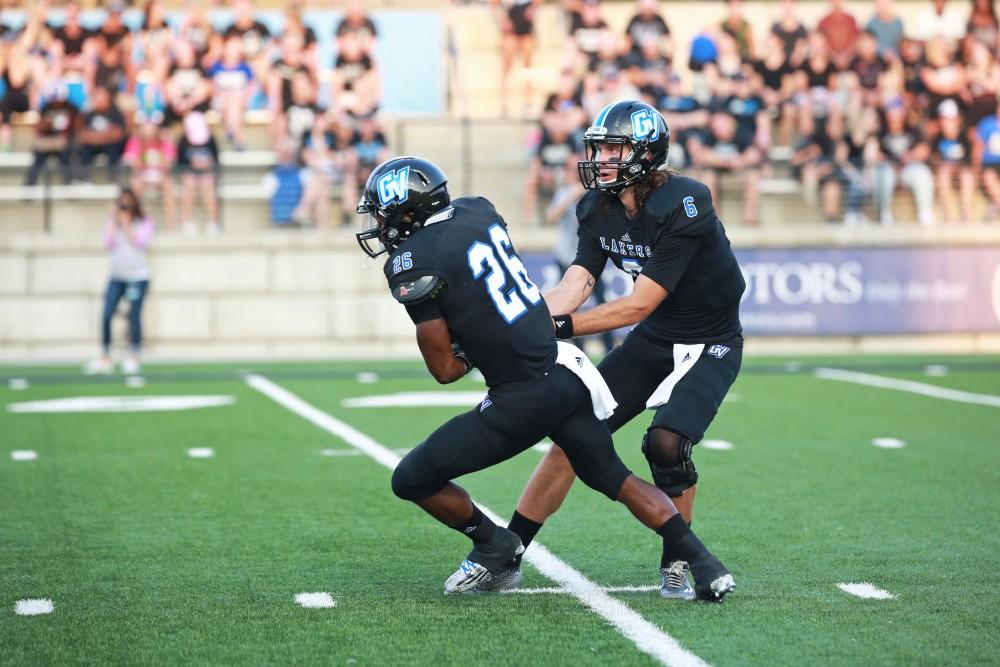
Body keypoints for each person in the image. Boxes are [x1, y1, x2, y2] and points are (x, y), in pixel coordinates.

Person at [356, 155, 735, 601]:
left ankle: (498, 548)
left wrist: (478, 345)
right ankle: (708, 566)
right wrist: (518, 325)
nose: (377, 225)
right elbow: (557, 289)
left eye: (382, 213)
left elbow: (445, 371)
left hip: (679, 346)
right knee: (611, 475)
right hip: (569, 373)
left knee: (411, 478)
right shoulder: (479, 210)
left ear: (407, 211)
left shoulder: (410, 261)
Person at [496, 100, 745, 599]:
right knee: (574, 432)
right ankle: (505, 553)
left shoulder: (686, 201)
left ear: (646, 154)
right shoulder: (596, 207)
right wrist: (521, 318)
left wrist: (560, 328)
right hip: (656, 339)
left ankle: (676, 559)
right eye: (600, 146)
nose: (602, 156)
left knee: (665, 445)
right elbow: (577, 282)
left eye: (615, 147)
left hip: (711, 340)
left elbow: (637, 304)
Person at [84, 188, 154, 376]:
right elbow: (108, 242)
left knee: (134, 315)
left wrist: (127, 224)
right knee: (107, 313)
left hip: (137, 276)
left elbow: (140, 242)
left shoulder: (143, 221)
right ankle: (105, 355)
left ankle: (134, 354)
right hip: (117, 277)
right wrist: (114, 222)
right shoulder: (112, 221)